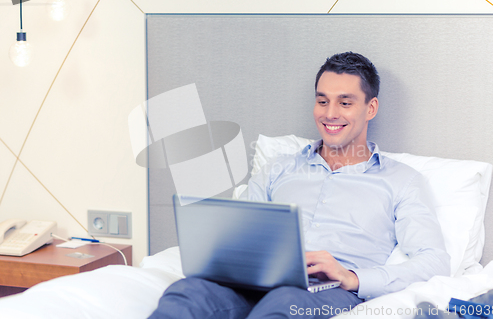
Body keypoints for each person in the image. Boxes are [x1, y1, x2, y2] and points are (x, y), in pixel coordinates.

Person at [149, 52, 450, 319]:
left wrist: (352, 277)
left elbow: (434, 261)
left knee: (286, 303)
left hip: (328, 293)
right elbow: (240, 238)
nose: (330, 113)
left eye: (345, 102)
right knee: (187, 292)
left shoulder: (401, 181)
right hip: (253, 283)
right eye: (322, 101)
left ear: (370, 108)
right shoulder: (277, 170)